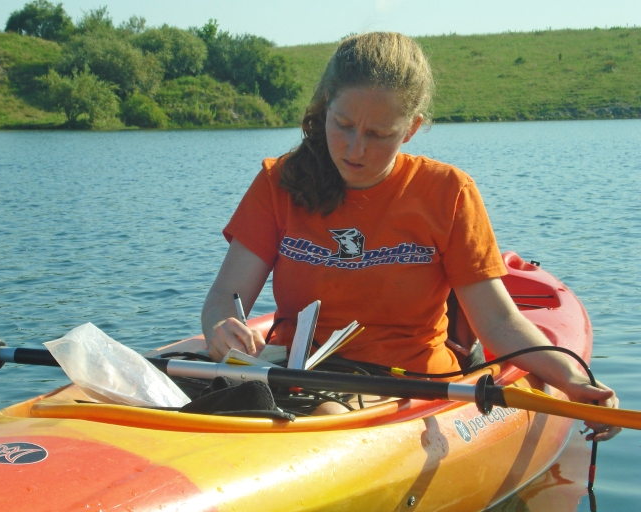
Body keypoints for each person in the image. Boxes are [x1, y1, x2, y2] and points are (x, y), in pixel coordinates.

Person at [200, 32, 619, 440]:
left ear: (411, 128)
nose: (354, 149)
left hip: (404, 382)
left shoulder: (448, 192)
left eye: (378, 134)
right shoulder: (279, 182)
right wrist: (221, 328)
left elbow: (499, 323)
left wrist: (572, 379)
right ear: (326, 108)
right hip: (292, 372)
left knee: (327, 411)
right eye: (343, 125)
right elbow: (224, 298)